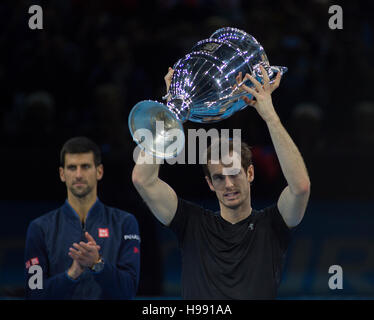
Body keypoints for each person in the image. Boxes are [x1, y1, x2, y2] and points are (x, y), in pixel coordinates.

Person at [132, 66, 310, 299]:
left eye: (234, 173)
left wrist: (269, 115)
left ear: (250, 174)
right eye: (219, 177)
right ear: (209, 183)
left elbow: (300, 187)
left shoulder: (272, 226)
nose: (228, 184)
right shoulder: (192, 223)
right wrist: (171, 112)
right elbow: (142, 179)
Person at [24, 137, 140, 299]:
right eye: (72, 167)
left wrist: (97, 264)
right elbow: (33, 294)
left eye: (85, 166)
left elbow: (128, 291)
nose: (78, 174)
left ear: (99, 171)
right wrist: (71, 274)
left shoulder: (124, 223)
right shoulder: (40, 228)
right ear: (62, 174)